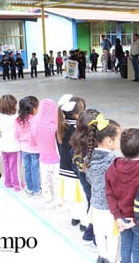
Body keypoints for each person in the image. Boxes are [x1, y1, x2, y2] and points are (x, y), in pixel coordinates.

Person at [106, 128, 139, 263]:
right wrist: (135, 220)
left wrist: (117, 216)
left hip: (122, 217)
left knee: (125, 245)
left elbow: (109, 194)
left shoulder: (113, 168)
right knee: (138, 247)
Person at [86, 114, 121, 263]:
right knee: (112, 237)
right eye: (118, 138)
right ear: (108, 141)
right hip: (109, 208)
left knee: (99, 234)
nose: (120, 141)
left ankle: (102, 257)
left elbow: (89, 179)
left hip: (95, 205)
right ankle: (111, 260)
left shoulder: (89, 157)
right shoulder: (113, 161)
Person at [70, 109, 101, 243]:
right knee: (96, 208)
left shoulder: (75, 145)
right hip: (96, 185)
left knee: (91, 204)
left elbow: (74, 167)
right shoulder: (96, 151)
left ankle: (89, 233)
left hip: (84, 182)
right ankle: (94, 236)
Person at [56, 95, 87, 223]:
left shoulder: (61, 128)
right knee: (82, 199)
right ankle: (84, 223)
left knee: (72, 198)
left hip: (64, 168)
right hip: (76, 171)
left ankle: (75, 218)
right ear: (77, 114)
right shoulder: (80, 130)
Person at [31, 99, 61, 209]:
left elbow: (32, 142)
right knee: (57, 182)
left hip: (43, 159)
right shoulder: (55, 127)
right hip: (56, 159)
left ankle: (48, 201)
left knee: (45, 181)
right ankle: (60, 203)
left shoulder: (35, 125)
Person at [0, 94, 24, 191]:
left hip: (3, 144)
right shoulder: (16, 118)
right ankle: (18, 185)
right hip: (14, 146)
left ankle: (8, 182)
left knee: (7, 165)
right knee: (15, 167)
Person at [15, 96, 41, 197]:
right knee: (35, 169)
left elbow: (16, 135)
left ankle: (29, 189)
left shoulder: (18, 120)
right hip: (34, 149)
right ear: (34, 109)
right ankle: (37, 189)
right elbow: (36, 134)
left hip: (24, 148)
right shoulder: (35, 120)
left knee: (27, 168)